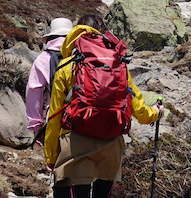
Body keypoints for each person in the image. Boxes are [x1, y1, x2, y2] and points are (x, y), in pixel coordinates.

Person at [44, 13, 163, 198]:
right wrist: (156, 112)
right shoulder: (118, 65)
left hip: (76, 142)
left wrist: (51, 157)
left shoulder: (67, 66)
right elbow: (139, 110)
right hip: (111, 145)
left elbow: (54, 116)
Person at [25, 17, 74, 144]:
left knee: (57, 162)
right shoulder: (82, 54)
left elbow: (34, 92)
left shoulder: (43, 58)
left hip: (57, 119)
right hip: (87, 116)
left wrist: (36, 127)